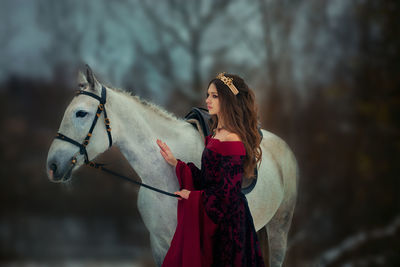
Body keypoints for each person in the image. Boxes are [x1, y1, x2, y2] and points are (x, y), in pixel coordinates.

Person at [156, 73, 265, 267]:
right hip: (217, 218)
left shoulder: (232, 138)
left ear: (228, 99)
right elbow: (210, 180)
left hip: (228, 230)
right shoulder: (217, 132)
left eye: (214, 96)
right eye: (208, 95)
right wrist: (177, 164)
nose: (207, 100)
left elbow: (228, 195)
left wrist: (192, 196)